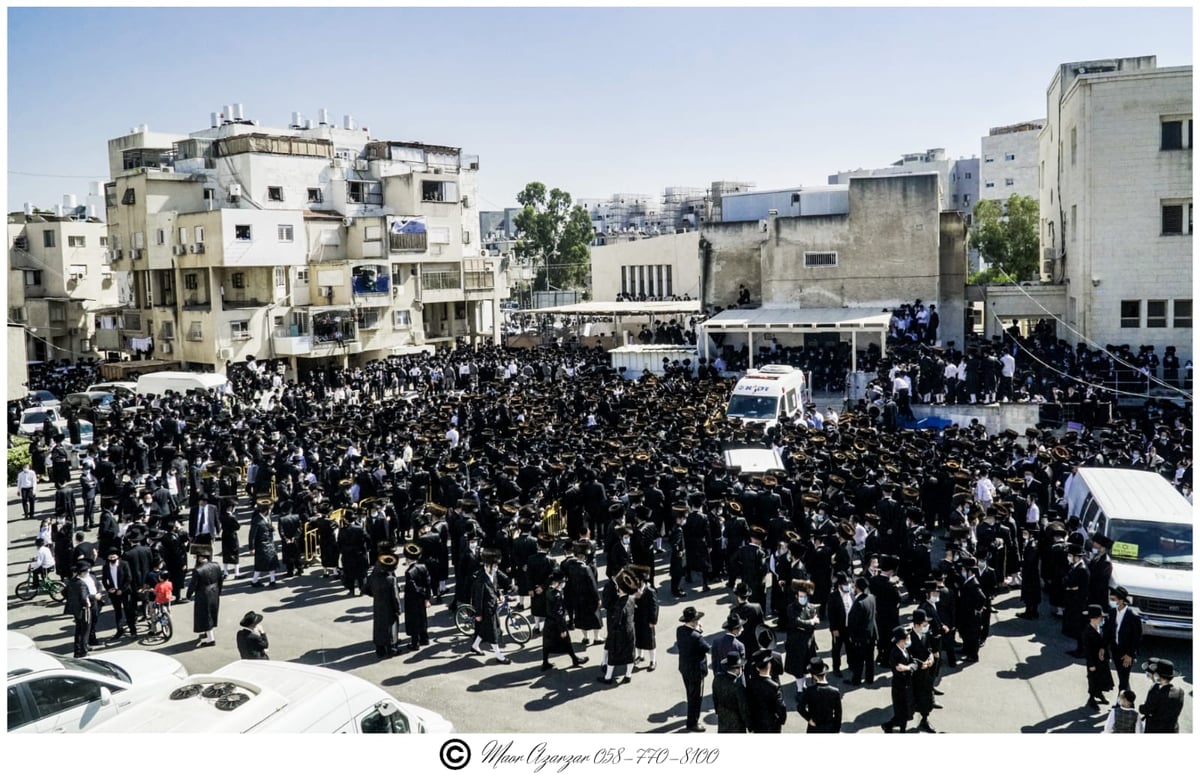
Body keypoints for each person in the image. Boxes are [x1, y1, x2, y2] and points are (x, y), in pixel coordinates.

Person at [540, 569, 588, 671]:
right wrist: (562, 629)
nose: (564, 584)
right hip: (557, 624)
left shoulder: (549, 590)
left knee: (547, 643)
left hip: (549, 622)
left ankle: (545, 662)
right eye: (562, 582)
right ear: (557, 583)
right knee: (566, 642)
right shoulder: (557, 595)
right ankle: (575, 659)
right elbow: (559, 614)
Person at [470, 548, 511, 663]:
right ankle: (499, 655)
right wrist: (478, 613)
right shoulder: (480, 579)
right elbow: (477, 598)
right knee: (493, 632)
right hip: (486, 609)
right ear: (489, 565)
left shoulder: (492, 573)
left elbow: (495, 587)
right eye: (495, 565)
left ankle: (475, 646)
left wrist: (500, 595)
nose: (497, 567)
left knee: (484, 629)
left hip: (493, 606)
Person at [597, 568, 638, 685]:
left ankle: (608, 677)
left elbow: (617, 620)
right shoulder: (631, 599)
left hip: (618, 632)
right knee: (630, 654)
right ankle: (628, 675)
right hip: (630, 630)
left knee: (613, 655)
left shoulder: (620, 605)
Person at [675, 606, 710, 733]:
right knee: (696, 698)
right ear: (694, 621)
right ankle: (693, 722)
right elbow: (706, 648)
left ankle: (692, 718)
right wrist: (700, 631)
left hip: (684, 667)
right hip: (696, 670)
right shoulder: (697, 636)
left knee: (690, 694)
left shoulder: (679, 630)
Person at [365, 544, 403, 658]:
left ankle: (379, 649)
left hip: (378, 604)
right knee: (391, 626)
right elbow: (395, 597)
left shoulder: (374, 574)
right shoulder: (391, 580)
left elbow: (366, 588)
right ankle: (391, 648)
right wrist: (398, 609)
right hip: (389, 606)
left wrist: (375, 595)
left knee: (379, 626)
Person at [1103, 585, 1143, 693]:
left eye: (1114, 599)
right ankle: (1126, 700)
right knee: (1122, 676)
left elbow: (1137, 637)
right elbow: (1107, 632)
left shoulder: (1133, 616)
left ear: (1121, 600)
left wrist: (1130, 654)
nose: (1112, 601)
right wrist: (1104, 647)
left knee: (1124, 679)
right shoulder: (1112, 613)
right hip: (1115, 650)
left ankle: (1120, 702)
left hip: (1126, 653)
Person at [881, 625, 917, 733]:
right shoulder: (894, 653)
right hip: (899, 686)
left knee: (905, 710)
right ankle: (899, 729)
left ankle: (892, 726)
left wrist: (907, 667)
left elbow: (914, 663)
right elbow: (898, 669)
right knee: (901, 711)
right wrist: (909, 667)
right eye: (907, 638)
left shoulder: (906, 650)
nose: (908, 640)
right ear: (901, 640)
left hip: (907, 684)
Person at [907, 609, 938, 732]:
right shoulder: (909, 638)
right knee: (911, 700)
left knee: (926, 698)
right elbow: (908, 656)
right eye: (924, 625)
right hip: (914, 674)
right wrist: (921, 664)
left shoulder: (925, 635)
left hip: (926, 673)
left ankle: (925, 719)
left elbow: (929, 649)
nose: (926, 627)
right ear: (916, 625)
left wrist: (931, 658)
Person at [745, 648, 788, 733]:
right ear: (769, 665)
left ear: (757, 668)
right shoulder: (774, 686)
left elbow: (748, 705)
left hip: (757, 723)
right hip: (772, 724)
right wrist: (781, 720)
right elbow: (781, 707)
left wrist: (750, 725)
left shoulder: (751, 684)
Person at [186, 549, 223, 647]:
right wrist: (219, 591)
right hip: (214, 591)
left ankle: (210, 639)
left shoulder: (198, 570)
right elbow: (220, 579)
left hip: (203, 594)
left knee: (205, 615)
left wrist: (188, 594)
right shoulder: (216, 565)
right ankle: (208, 633)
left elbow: (193, 584)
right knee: (212, 612)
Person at [1081, 603, 1114, 710]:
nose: (1102, 619)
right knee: (1093, 679)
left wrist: (1105, 652)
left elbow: (1105, 640)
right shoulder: (1087, 632)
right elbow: (1087, 650)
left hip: (1102, 659)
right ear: (1094, 618)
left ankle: (1099, 693)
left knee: (1102, 677)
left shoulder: (1101, 628)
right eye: (1100, 617)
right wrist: (1091, 664)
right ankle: (1092, 697)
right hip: (1093, 660)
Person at [1138, 658, 1185, 733]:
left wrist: (1141, 707)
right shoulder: (1180, 691)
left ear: (1157, 675)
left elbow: (1146, 709)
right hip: (1172, 729)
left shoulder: (1155, 693)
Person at [101, 546, 137, 641]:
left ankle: (133, 630)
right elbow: (104, 580)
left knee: (128, 611)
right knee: (118, 612)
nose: (112, 558)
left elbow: (129, 578)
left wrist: (122, 589)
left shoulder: (124, 564)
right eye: (110, 556)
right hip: (114, 593)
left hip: (125, 592)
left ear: (117, 556)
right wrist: (109, 589)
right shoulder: (106, 567)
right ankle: (119, 630)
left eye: (114, 556)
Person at [797, 658, 842, 733]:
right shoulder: (835, 692)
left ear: (813, 676)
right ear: (825, 673)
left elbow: (800, 707)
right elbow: (838, 715)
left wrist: (809, 719)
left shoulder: (809, 691)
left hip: (814, 727)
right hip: (829, 728)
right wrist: (836, 730)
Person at [847, 576, 878, 685]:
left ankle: (856, 680)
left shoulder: (859, 603)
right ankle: (870, 678)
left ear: (857, 587)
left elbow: (854, 622)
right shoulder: (871, 597)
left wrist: (852, 635)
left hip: (861, 636)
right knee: (870, 658)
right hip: (871, 633)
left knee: (859, 660)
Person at [402, 542, 432, 651]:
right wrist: (427, 597)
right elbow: (428, 583)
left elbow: (413, 588)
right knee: (422, 618)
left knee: (413, 621)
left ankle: (415, 643)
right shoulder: (423, 567)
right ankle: (425, 638)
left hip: (412, 600)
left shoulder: (409, 572)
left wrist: (420, 591)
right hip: (422, 599)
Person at [712, 652, 751, 733]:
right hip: (737, 723)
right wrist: (749, 725)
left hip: (722, 717)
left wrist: (718, 711)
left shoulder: (717, 678)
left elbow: (715, 697)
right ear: (737, 669)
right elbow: (743, 708)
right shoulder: (738, 686)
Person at [65, 560, 97, 657]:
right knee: (85, 631)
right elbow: (84, 597)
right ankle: (83, 651)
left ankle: (79, 649)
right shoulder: (81, 583)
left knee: (80, 630)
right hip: (85, 609)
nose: (88, 572)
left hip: (78, 609)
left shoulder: (73, 581)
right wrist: (92, 598)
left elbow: (65, 592)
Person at [631, 565, 659, 671]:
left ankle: (653, 660)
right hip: (637, 619)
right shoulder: (634, 590)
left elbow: (655, 607)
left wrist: (653, 620)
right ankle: (640, 656)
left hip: (647, 620)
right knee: (638, 639)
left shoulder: (650, 591)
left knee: (650, 641)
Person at [247, 498, 279, 588]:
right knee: (260, 564)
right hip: (261, 545)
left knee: (272, 562)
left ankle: (272, 580)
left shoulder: (267, 518)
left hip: (269, 543)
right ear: (267, 510)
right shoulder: (257, 521)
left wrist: (272, 529)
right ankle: (254, 581)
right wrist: (251, 548)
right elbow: (252, 535)